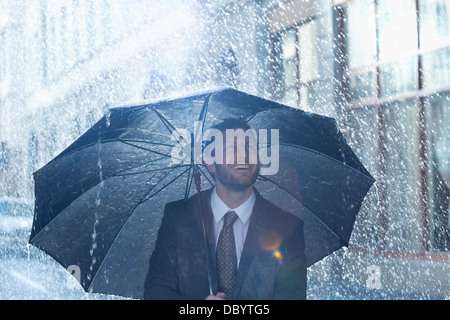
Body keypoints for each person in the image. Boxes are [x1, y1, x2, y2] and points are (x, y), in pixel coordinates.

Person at [143, 118, 307, 300]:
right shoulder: (178, 218)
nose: (244, 155)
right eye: (231, 148)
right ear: (211, 163)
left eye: (250, 148)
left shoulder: (287, 227)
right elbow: (156, 291)